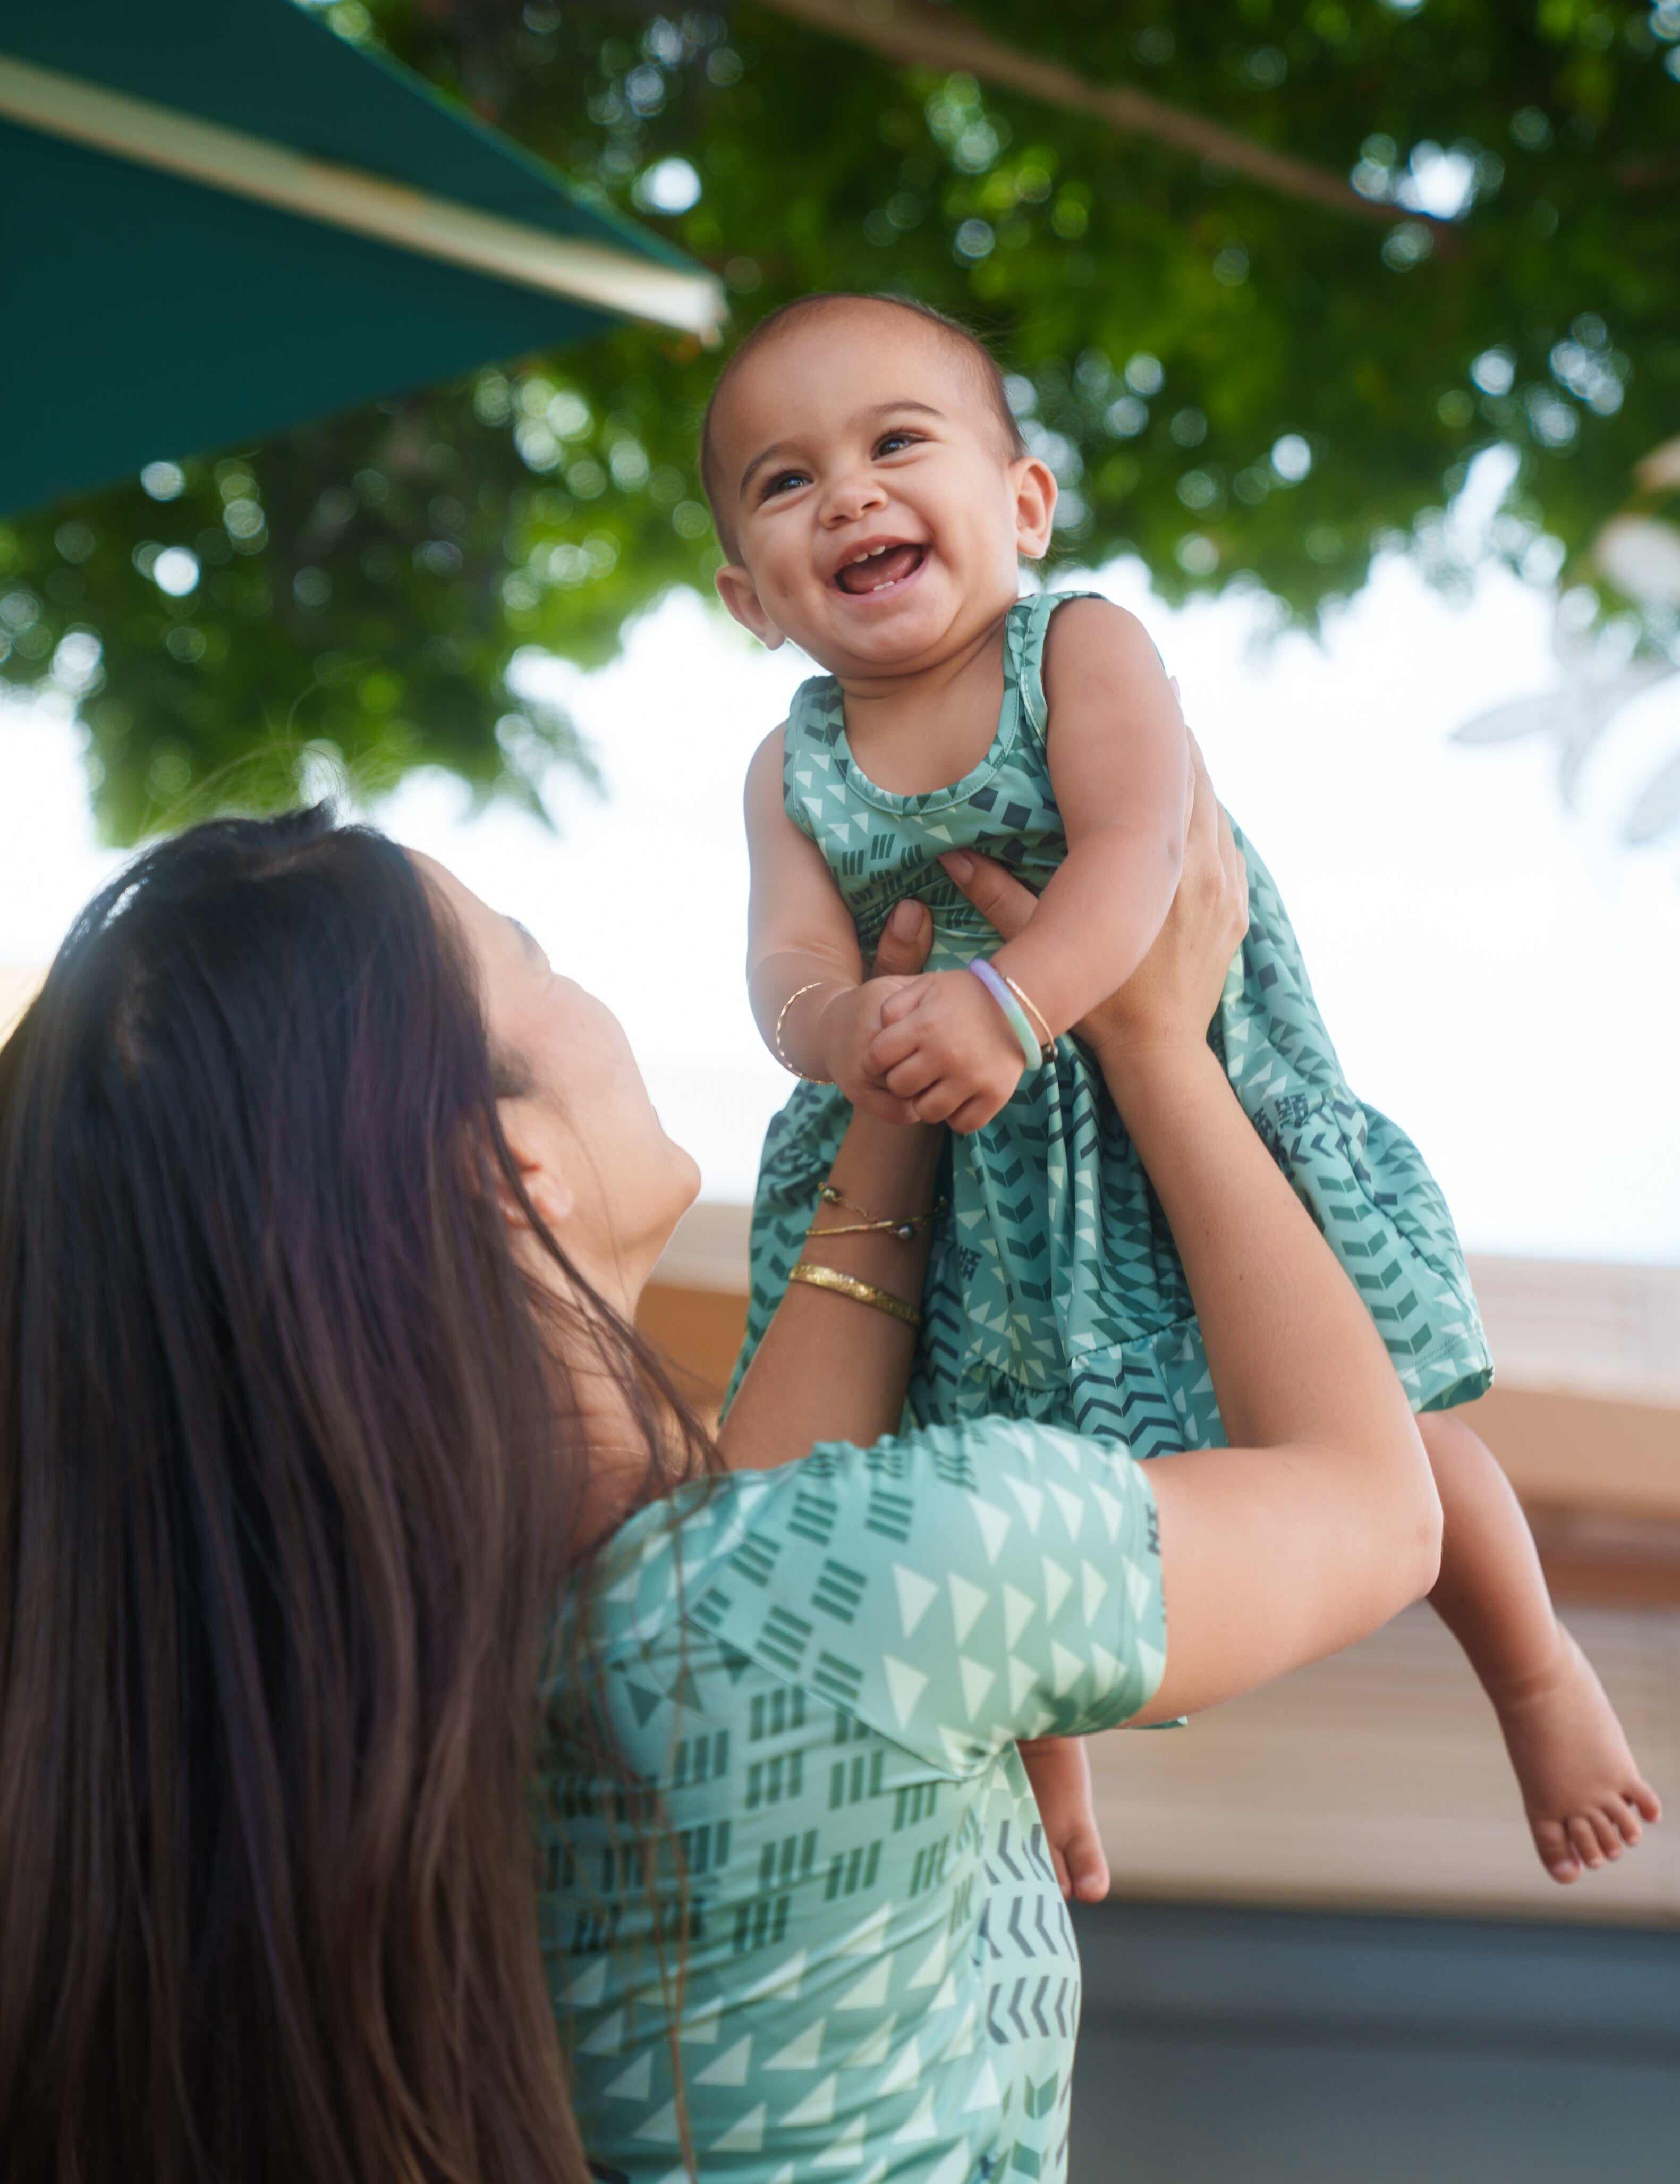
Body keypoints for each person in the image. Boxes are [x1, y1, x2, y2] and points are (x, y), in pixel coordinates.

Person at [3, 771, 1431, 2184]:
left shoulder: (329, 1728)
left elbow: (739, 1558)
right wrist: (1154, 1043)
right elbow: (1373, 1506)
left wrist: (897, 1105)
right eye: (534, 962)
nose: (586, 993)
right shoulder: (845, 1588)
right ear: (512, 1173)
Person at [703, 289, 1659, 1894]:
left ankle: (1530, 1668)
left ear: (1022, 505)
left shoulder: (1075, 643)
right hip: (961, 1147)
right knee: (970, 1441)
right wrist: (844, 1027)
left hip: (1153, 1075)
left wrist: (1015, 1000)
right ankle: (1048, 1779)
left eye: (892, 444)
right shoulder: (787, 765)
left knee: (1375, 1405)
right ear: (748, 594)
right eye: (786, 482)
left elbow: (1139, 848)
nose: (849, 494)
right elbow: (782, 963)